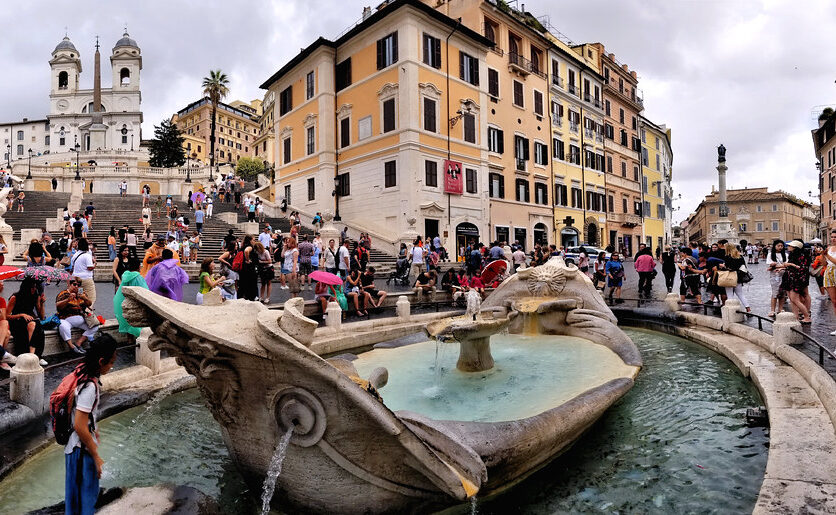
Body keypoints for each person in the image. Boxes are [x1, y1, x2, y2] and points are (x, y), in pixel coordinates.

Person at [62, 334, 118, 515]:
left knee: (74, 498)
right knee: (86, 498)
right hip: (81, 450)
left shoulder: (81, 372)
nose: (112, 366)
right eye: (111, 362)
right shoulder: (90, 387)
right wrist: (95, 455)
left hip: (73, 448)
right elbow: (79, 425)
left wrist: (94, 430)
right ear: (101, 361)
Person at [8, 278, 46, 365]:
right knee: (33, 325)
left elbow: (42, 316)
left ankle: (35, 355)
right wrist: (21, 315)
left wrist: (42, 303)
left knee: (37, 325)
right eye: (32, 287)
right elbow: (7, 316)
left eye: (35, 287)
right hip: (17, 321)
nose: (34, 289)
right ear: (26, 288)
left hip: (30, 320)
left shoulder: (35, 297)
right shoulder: (15, 297)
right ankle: (33, 355)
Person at [56, 278, 98, 354]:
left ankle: (78, 343)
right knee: (62, 326)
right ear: (70, 285)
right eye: (74, 284)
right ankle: (72, 347)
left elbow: (89, 304)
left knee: (95, 326)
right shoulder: (63, 294)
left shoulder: (81, 294)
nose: (76, 287)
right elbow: (58, 306)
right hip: (66, 318)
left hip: (81, 319)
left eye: (78, 285)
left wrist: (85, 298)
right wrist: (68, 300)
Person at [785, 240, 811, 324]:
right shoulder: (792, 255)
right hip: (791, 278)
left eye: (790, 246)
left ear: (795, 248)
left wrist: (789, 265)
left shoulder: (802, 256)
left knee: (795, 299)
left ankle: (806, 316)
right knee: (792, 299)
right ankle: (795, 316)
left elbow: (801, 268)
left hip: (797, 279)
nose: (788, 247)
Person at [719, 243, 751, 312]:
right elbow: (743, 266)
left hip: (730, 277)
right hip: (739, 277)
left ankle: (731, 309)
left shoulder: (727, 256)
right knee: (740, 294)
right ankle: (748, 308)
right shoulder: (740, 256)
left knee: (729, 294)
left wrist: (723, 266)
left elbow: (729, 268)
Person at [71, 238, 96, 307]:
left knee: (80, 295)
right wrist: (95, 264)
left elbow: (73, 266)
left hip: (77, 279)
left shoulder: (75, 254)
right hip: (86, 279)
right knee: (91, 297)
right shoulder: (87, 255)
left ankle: (81, 310)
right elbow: (90, 267)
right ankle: (88, 311)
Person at [766, 239, 788, 318]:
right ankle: (772, 310)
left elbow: (787, 265)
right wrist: (774, 265)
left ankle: (780, 308)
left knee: (782, 292)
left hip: (784, 275)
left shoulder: (785, 254)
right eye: (778, 246)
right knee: (775, 292)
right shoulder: (770, 255)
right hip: (774, 276)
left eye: (782, 246)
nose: (780, 247)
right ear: (775, 246)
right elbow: (770, 264)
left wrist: (778, 266)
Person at [822, 230, 836, 334]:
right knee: (834, 302)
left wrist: (828, 255)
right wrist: (823, 255)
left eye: (835, 237)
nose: (833, 239)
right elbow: (824, 263)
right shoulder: (829, 248)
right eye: (832, 237)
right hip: (829, 272)